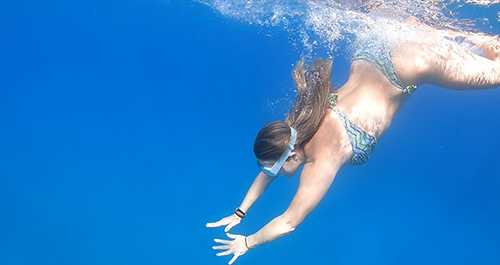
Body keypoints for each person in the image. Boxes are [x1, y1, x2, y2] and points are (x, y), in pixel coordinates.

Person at [205, 20, 500, 265]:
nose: (274, 174)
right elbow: (267, 169)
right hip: (373, 44)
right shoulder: (295, 126)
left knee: (497, 71)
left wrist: (247, 242)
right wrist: (239, 212)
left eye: (276, 169)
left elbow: (288, 222)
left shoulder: (322, 161)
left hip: (409, 65)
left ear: (292, 155)